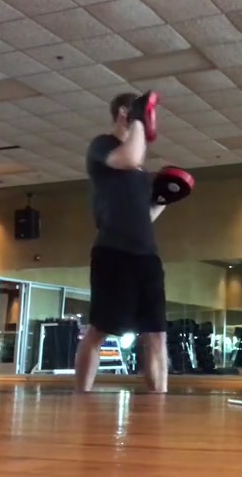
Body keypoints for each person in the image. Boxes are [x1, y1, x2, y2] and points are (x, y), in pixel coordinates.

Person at [74, 91, 194, 394]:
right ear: (124, 113)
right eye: (142, 114)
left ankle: (159, 400)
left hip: (147, 256)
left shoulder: (139, 173)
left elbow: (144, 216)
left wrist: (162, 201)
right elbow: (130, 157)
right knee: (100, 330)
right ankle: (81, 397)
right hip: (113, 252)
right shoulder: (102, 146)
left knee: (156, 333)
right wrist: (139, 118)